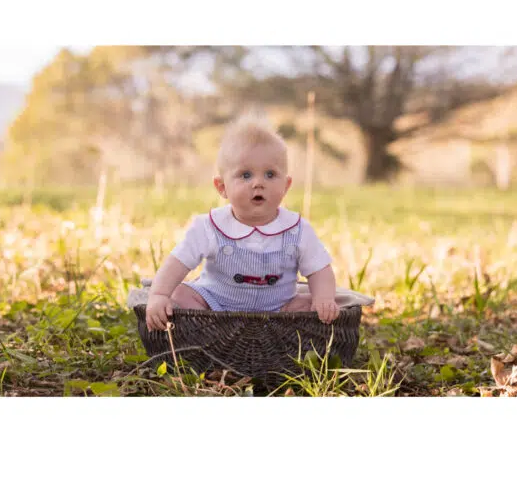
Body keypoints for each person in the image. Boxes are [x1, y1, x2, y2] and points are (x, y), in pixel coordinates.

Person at [146, 115, 373, 331]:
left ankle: (283, 333)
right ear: (222, 187)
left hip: (279, 308)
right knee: (180, 294)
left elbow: (319, 269)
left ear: (286, 185)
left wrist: (323, 299)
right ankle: (210, 330)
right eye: (245, 175)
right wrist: (159, 295)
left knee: (312, 302)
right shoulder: (209, 227)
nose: (258, 183)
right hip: (215, 305)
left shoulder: (297, 229)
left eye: (270, 174)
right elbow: (177, 263)